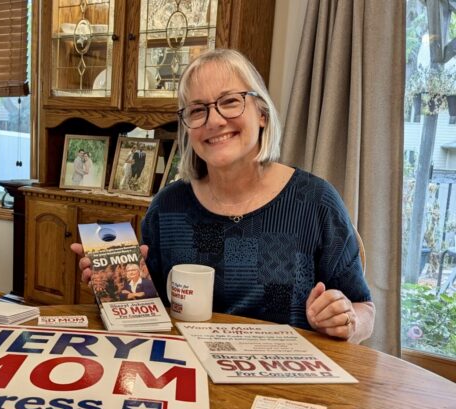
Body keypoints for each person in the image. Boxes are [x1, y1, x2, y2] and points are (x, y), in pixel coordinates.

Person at [73, 49, 375, 343]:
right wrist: (114, 283)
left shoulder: (315, 203)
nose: (214, 121)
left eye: (230, 102)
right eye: (197, 109)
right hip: (189, 377)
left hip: (282, 384)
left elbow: (365, 310)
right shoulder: (167, 208)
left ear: (262, 115)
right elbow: (147, 310)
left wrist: (346, 319)